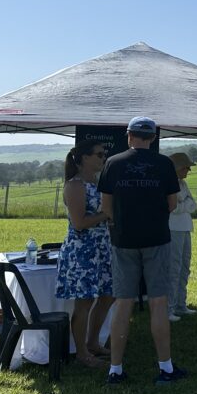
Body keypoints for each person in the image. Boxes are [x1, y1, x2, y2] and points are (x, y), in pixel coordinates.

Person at [98, 117, 186, 386]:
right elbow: (172, 204)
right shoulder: (164, 164)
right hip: (157, 239)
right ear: (153, 138)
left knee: (122, 303)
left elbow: (106, 206)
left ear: (129, 135)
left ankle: (115, 369)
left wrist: (122, 223)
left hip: (123, 240)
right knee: (158, 302)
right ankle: (165, 368)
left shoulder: (112, 163)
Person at [54, 139, 114, 368]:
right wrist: (107, 214)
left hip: (102, 247)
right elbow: (79, 223)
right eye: (99, 154)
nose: (103, 158)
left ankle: (93, 343)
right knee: (85, 302)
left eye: (104, 154)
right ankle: (81, 352)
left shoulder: (98, 182)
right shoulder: (75, 185)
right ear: (84, 158)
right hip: (82, 251)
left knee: (109, 295)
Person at [167, 152, 197, 322]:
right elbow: (173, 207)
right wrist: (184, 203)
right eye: (186, 167)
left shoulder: (183, 184)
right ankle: (168, 308)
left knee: (185, 267)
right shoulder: (168, 184)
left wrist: (183, 203)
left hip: (185, 228)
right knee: (174, 268)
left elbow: (193, 204)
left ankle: (180, 304)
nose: (188, 170)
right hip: (173, 229)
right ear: (177, 168)